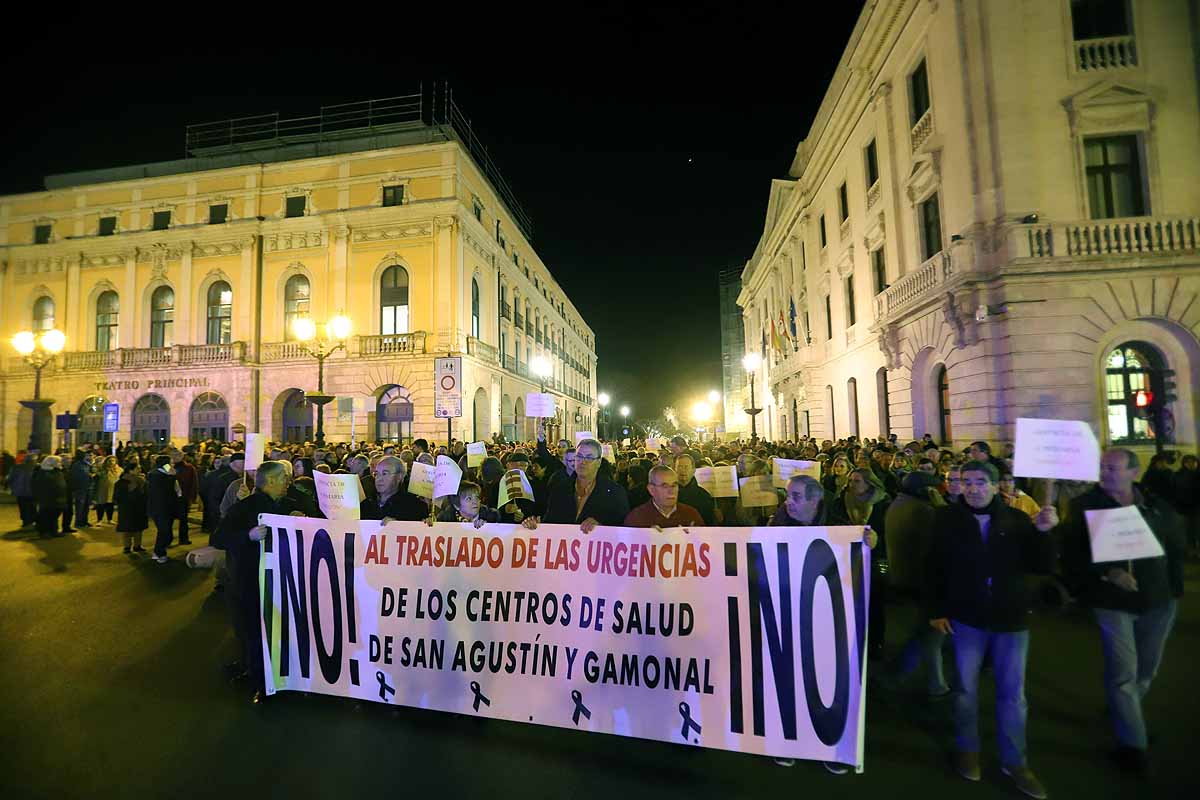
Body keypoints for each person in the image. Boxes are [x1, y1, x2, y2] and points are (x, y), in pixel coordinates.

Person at [927, 460, 1058, 798]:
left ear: (995, 484)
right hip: (967, 618)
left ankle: (1015, 762)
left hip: (1010, 619)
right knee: (965, 690)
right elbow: (933, 567)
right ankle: (967, 749)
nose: (972, 488)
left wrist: (1044, 533)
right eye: (966, 481)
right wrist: (937, 609)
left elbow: (1041, 565)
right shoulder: (945, 520)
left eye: (980, 482)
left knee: (1013, 696)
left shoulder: (1015, 519)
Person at [1059, 448, 1186, 778]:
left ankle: (1126, 714)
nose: (1105, 472)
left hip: (1159, 601)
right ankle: (1133, 745)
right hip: (1112, 603)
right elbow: (1071, 559)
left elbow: (1175, 546)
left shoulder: (1155, 505)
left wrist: (1174, 590)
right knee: (1124, 675)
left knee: (1146, 671)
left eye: (1113, 468)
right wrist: (1108, 573)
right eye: (1102, 467)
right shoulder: (1084, 507)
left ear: (1133, 471)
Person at [217, 461, 320, 703]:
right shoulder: (244, 508)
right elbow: (219, 537)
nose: (288, 482)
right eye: (284, 478)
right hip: (249, 583)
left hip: (285, 583)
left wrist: (301, 520)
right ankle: (261, 683)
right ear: (271, 481)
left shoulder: (289, 506)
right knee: (255, 634)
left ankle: (289, 677)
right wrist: (248, 536)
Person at [881, 471, 949, 697]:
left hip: (904, 576)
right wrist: (941, 506)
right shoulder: (924, 511)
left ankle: (928, 681)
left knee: (928, 633)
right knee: (930, 634)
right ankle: (930, 683)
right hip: (920, 580)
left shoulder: (899, 503)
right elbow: (941, 538)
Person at [533, 438, 629, 533]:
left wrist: (601, 527)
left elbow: (623, 528)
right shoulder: (560, 489)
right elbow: (550, 522)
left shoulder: (615, 493)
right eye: (579, 456)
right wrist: (535, 526)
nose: (583, 461)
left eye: (589, 457)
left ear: (599, 462)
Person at [623, 465, 704, 528]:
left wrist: (693, 536)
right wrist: (646, 537)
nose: (671, 491)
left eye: (674, 485)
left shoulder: (691, 515)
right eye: (664, 486)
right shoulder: (636, 519)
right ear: (651, 489)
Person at [360, 455, 427, 521]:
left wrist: (397, 525)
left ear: (399, 477)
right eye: (377, 474)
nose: (379, 479)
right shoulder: (366, 504)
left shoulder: (413, 506)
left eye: (385, 473)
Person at [147, 455, 182, 564]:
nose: (172, 464)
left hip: (164, 507)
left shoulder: (161, 474)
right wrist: (172, 475)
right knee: (164, 531)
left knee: (165, 530)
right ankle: (160, 552)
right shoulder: (158, 475)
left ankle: (158, 551)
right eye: (170, 462)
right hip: (162, 507)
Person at [113, 461, 148, 554]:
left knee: (139, 528)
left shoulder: (142, 480)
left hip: (139, 507)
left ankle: (137, 545)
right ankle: (127, 547)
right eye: (137, 468)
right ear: (130, 470)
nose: (140, 470)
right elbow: (117, 496)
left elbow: (146, 493)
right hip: (127, 508)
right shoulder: (121, 482)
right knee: (127, 528)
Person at [32, 455, 68, 538]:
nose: (59, 463)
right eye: (57, 462)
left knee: (54, 515)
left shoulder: (57, 471)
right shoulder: (43, 472)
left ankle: (53, 531)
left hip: (58, 497)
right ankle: (44, 532)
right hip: (48, 498)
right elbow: (39, 486)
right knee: (46, 515)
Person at [674, 453, 715, 525]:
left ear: (693, 470)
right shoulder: (668, 493)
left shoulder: (704, 495)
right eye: (680, 467)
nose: (683, 470)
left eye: (686, 467)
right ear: (675, 470)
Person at [10, 454, 38, 528]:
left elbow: (11, 478)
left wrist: (13, 487)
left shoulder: (17, 467)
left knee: (23, 507)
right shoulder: (35, 468)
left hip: (20, 491)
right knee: (32, 506)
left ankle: (26, 521)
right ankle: (31, 520)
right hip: (31, 491)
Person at [68, 450, 94, 529]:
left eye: (91, 455)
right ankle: (78, 522)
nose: (90, 457)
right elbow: (75, 476)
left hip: (89, 487)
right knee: (80, 506)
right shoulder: (78, 465)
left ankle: (84, 521)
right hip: (81, 488)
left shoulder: (89, 465)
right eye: (88, 455)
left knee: (86, 506)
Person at [93, 455, 122, 525]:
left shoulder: (119, 469)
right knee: (101, 505)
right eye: (110, 461)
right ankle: (99, 520)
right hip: (103, 490)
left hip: (113, 489)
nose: (111, 462)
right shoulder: (102, 469)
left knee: (110, 504)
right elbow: (96, 474)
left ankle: (110, 519)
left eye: (113, 460)